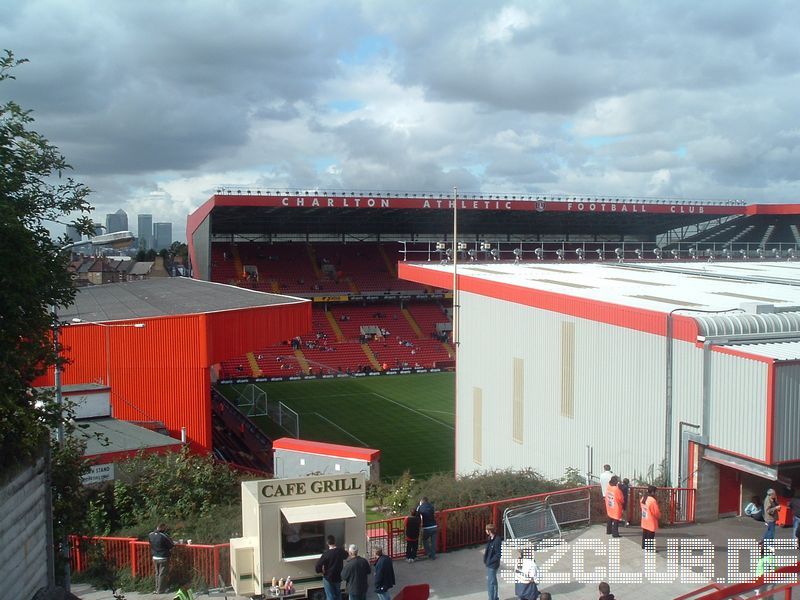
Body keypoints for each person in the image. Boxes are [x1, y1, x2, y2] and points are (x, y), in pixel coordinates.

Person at [315, 535, 348, 600]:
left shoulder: (326, 554)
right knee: (338, 594)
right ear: (335, 541)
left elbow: (317, 567)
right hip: (338, 577)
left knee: (330, 596)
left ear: (327, 543)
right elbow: (346, 555)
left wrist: (321, 571)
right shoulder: (340, 551)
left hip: (328, 577)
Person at [148, 522, 174, 594]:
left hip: (154, 557)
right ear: (162, 527)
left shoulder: (151, 534)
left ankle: (157, 588)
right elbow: (171, 545)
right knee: (162, 574)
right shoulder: (164, 535)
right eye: (165, 528)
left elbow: (150, 543)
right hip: (163, 557)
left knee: (157, 573)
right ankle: (160, 590)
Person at [484, 523, 503, 600]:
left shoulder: (497, 540)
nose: (485, 531)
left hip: (493, 564)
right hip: (489, 563)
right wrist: (486, 560)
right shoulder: (490, 538)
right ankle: (491, 597)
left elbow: (498, 554)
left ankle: (493, 598)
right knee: (490, 582)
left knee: (492, 583)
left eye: (486, 530)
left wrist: (490, 561)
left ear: (489, 531)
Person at [640, 485, 661, 551]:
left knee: (645, 533)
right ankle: (649, 548)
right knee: (650, 534)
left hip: (644, 518)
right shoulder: (652, 501)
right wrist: (659, 516)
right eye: (655, 492)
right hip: (651, 519)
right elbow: (656, 512)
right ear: (652, 492)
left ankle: (644, 545)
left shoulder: (643, 498)